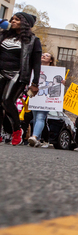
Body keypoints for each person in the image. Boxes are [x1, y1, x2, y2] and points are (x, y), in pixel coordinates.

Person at [0, 12, 42, 146]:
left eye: (17, 20)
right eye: (12, 19)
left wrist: (35, 83)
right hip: (1, 71)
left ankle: (17, 130)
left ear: (25, 23)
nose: (13, 21)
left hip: (17, 73)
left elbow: (36, 63)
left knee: (7, 100)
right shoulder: (3, 35)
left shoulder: (33, 40)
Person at [28, 53, 60, 147]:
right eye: (43, 55)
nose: (43, 56)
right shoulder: (34, 68)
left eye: (47, 55)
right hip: (35, 97)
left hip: (46, 99)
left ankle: (34, 136)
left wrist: (62, 82)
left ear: (50, 60)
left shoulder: (55, 72)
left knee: (40, 117)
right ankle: (37, 139)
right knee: (35, 119)